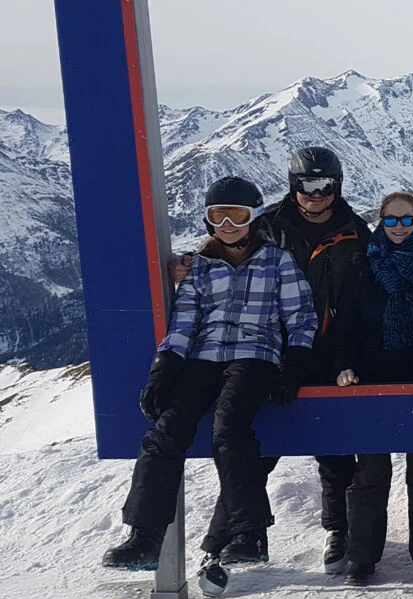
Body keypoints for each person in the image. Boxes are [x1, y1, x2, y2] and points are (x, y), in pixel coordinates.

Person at [102, 177, 316, 574]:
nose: (228, 225)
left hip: (255, 354)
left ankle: (249, 533)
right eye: (219, 216)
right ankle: (145, 537)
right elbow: (184, 322)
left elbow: (301, 317)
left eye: (237, 216)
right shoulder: (200, 267)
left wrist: (295, 365)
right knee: (165, 433)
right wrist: (164, 368)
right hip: (203, 357)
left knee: (229, 430)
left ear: (254, 217)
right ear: (208, 220)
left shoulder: (277, 262)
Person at [330, 192, 413, 585]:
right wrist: (344, 366)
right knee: (370, 474)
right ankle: (362, 559)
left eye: (407, 219)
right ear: (381, 221)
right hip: (372, 384)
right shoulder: (364, 267)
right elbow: (345, 327)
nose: (399, 227)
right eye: (391, 220)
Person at [258, 146, 373, 576]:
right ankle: (243, 531)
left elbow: (365, 296)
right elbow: (228, 256)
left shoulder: (354, 231)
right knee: (256, 444)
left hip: (330, 350)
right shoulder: (269, 227)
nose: (317, 194)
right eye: (308, 185)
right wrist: (188, 265)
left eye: (326, 185)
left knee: (336, 447)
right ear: (294, 186)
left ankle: (337, 530)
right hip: (274, 349)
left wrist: (351, 354)